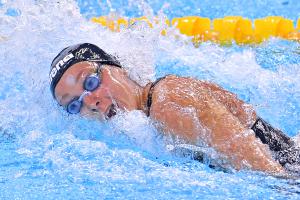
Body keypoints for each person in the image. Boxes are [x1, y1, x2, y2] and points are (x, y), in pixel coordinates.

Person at [49, 43, 300, 174]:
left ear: (117, 67)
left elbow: (269, 173)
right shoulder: (156, 106)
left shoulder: (169, 105)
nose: (90, 102)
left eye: (91, 82)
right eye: (74, 105)